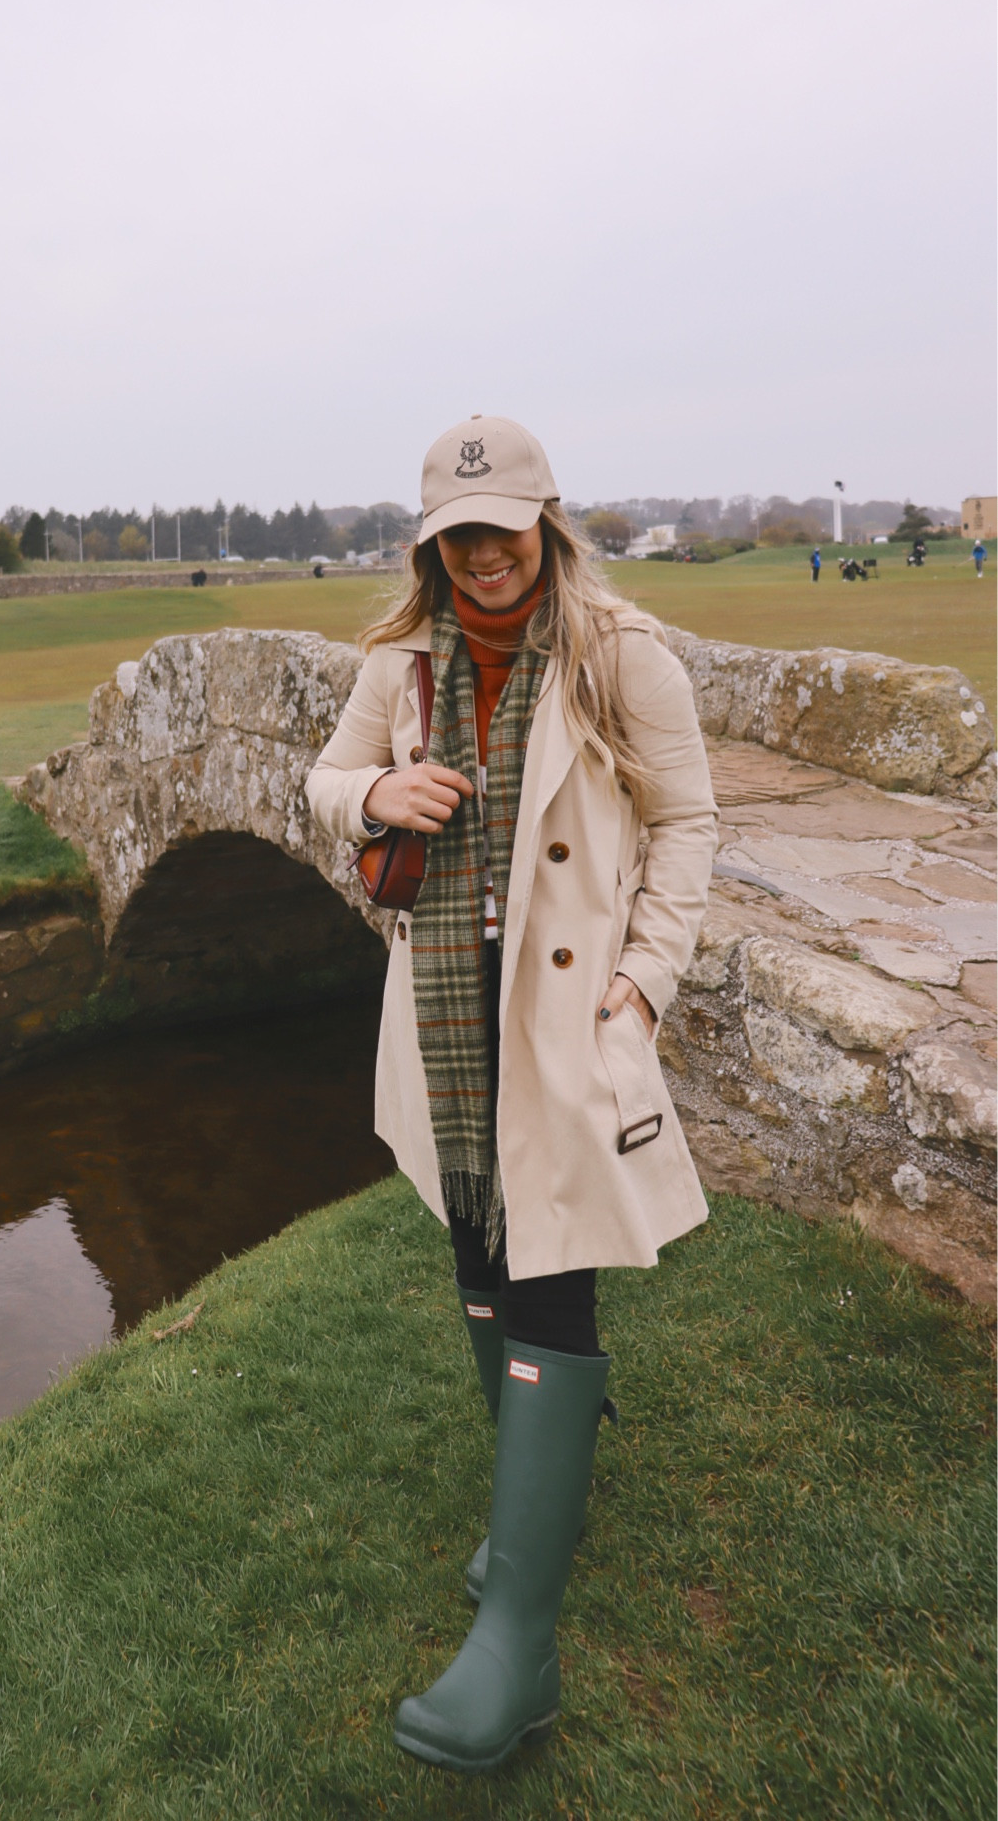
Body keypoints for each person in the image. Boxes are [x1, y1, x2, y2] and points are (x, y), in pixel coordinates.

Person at [305, 416, 717, 1774]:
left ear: (547, 517)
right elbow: (324, 784)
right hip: (440, 1017)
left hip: (558, 1019)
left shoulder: (619, 652)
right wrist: (378, 786)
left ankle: (521, 1648)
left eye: (505, 526)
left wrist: (647, 979)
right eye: (457, 537)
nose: (485, 556)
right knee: (478, 1251)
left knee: (550, 1272)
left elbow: (684, 821)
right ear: (429, 545)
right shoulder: (397, 664)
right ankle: (524, 1520)